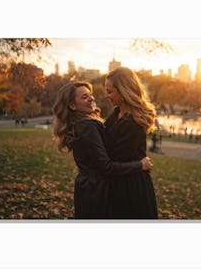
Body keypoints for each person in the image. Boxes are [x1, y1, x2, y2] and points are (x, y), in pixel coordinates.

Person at [52, 82, 153, 219]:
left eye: (90, 95)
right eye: (84, 97)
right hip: (97, 191)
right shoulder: (88, 127)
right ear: (72, 105)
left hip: (87, 188)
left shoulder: (78, 124)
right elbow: (106, 167)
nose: (91, 99)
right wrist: (140, 165)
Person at [104, 67, 158, 219]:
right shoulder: (117, 114)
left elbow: (111, 160)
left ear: (123, 91)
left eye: (110, 92)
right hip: (119, 184)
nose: (107, 96)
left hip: (130, 189)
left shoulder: (131, 123)